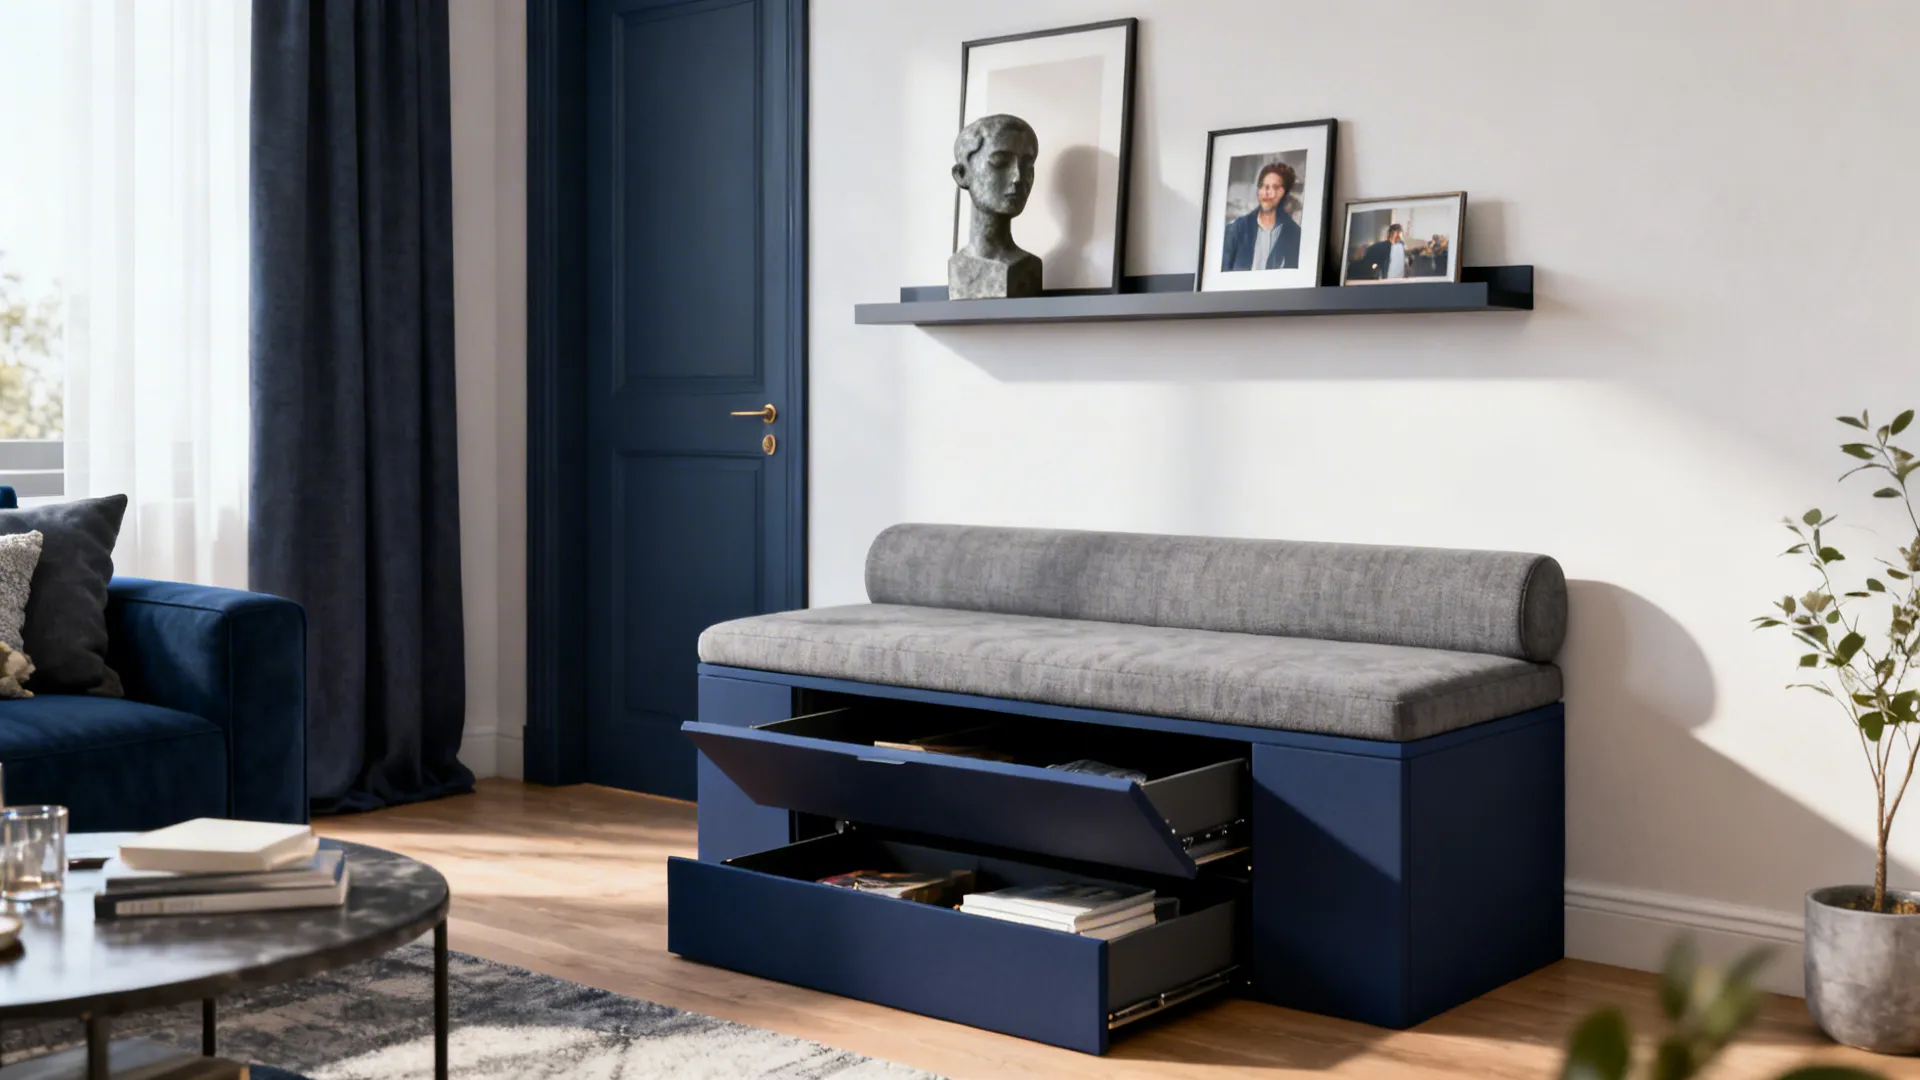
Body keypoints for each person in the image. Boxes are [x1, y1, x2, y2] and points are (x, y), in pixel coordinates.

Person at [1220, 161, 1301, 271]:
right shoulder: (1236, 230)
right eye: (1263, 186)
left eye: (1275, 187)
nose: (1267, 192)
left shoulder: (1296, 236)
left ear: (1285, 193)